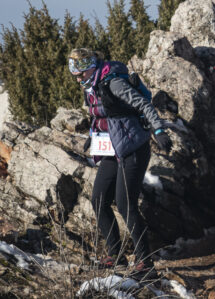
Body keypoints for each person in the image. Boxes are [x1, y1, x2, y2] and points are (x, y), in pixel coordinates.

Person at [68, 47, 172, 272]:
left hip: (133, 148)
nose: (77, 79)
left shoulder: (113, 83)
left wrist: (159, 131)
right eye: (74, 75)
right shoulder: (91, 87)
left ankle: (145, 261)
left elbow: (144, 104)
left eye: (80, 74)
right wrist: (91, 137)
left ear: (91, 68)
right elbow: (98, 115)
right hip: (111, 149)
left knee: (125, 203)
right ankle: (116, 255)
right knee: (99, 200)